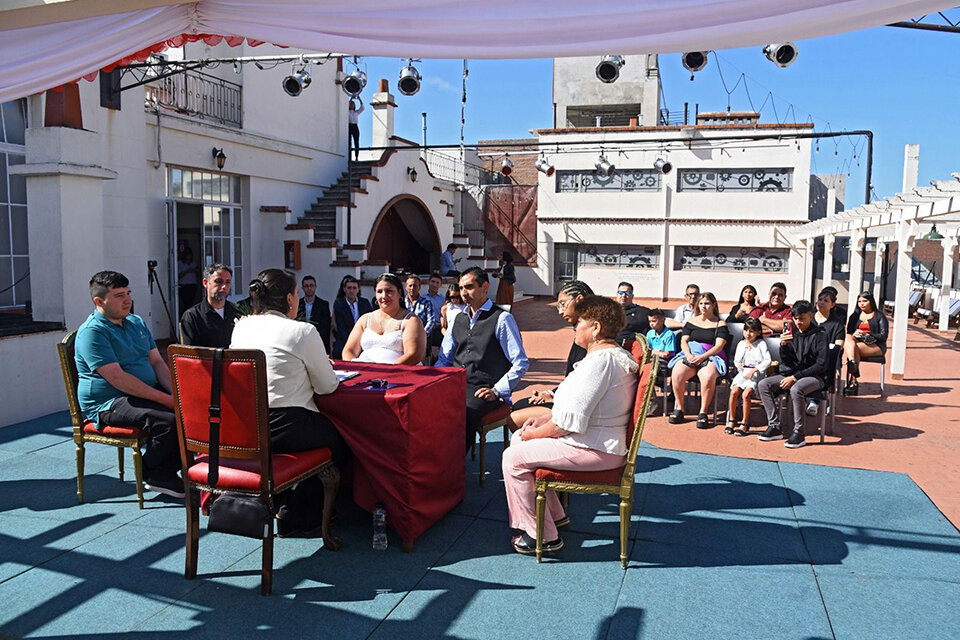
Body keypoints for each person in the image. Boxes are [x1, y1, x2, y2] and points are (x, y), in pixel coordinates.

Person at [501, 295, 638, 555]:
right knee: (519, 437)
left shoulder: (600, 362)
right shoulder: (607, 357)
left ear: (596, 328)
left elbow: (567, 422)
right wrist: (542, 421)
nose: (575, 327)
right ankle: (555, 514)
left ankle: (542, 535)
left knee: (513, 457)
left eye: (581, 322)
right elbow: (576, 406)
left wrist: (537, 433)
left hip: (596, 449)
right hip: (596, 441)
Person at [230, 269, 348, 535]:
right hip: (288, 424)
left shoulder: (242, 326)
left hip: (247, 425)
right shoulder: (302, 331)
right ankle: (299, 512)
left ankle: (286, 501)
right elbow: (327, 386)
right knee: (342, 442)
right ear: (289, 298)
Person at [74, 271, 183, 498]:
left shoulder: (136, 322)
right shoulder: (93, 332)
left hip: (141, 391)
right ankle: (153, 472)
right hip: (108, 400)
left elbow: (156, 362)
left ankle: (169, 470)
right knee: (168, 420)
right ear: (99, 301)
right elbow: (118, 379)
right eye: (119, 295)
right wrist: (165, 399)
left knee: (191, 409)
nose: (127, 300)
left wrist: (177, 393)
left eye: (128, 293)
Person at [436, 267, 529, 453]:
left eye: (469, 287)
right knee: (429, 407)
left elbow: (520, 362)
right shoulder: (457, 319)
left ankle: (453, 468)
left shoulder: (502, 319)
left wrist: (497, 390)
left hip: (484, 389)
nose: (463, 293)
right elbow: (444, 359)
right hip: (456, 382)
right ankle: (432, 461)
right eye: (461, 288)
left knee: (463, 412)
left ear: (484, 287)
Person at [506, 280, 593, 430]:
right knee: (520, 405)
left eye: (563, 304)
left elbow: (586, 385)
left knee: (516, 418)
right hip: (570, 395)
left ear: (579, 300)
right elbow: (573, 378)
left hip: (580, 408)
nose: (560, 311)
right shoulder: (581, 332)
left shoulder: (593, 336)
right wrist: (548, 393)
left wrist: (554, 397)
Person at [757, 300, 828, 448]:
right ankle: (775, 426)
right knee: (763, 384)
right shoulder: (792, 332)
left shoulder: (820, 335)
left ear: (810, 316)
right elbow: (787, 362)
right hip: (792, 373)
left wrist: (795, 378)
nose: (798, 322)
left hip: (815, 377)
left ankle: (799, 432)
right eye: (795, 318)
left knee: (797, 389)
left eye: (802, 318)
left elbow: (821, 364)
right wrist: (783, 346)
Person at [668, 291, 729, 429]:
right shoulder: (691, 322)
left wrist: (703, 357)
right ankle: (680, 409)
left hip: (711, 355)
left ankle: (703, 412)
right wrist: (688, 355)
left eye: (707, 303)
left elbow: (719, 345)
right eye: (701, 303)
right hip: (691, 354)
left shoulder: (720, 323)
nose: (703, 306)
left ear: (713, 304)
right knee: (677, 373)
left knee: (707, 377)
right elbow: (684, 341)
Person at [342, 273, 426, 365]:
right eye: (379, 291)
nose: (383, 296)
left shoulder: (411, 320)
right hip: (364, 375)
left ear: (399, 292)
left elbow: (413, 355)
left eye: (389, 291)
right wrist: (356, 368)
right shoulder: (365, 319)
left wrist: (386, 371)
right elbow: (349, 351)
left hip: (398, 375)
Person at [725, 317, 771, 436]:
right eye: (746, 330)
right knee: (734, 392)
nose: (748, 334)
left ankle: (745, 422)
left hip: (755, 373)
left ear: (758, 332)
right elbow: (736, 360)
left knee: (746, 394)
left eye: (751, 331)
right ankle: (732, 420)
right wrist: (738, 365)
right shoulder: (741, 344)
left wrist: (755, 370)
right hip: (743, 372)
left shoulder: (761, 344)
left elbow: (767, 361)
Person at [807, 286, 846, 415]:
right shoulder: (809, 319)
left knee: (822, 365)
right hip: (808, 355)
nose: (821, 302)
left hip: (829, 357)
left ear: (833, 304)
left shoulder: (837, 324)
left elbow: (838, 346)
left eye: (826, 300)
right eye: (820, 299)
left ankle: (815, 401)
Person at [180, 263, 238, 348]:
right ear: (205, 283)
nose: (224, 286)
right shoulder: (192, 317)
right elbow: (191, 356)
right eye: (218, 281)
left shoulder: (238, 312)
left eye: (228, 282)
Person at [843, 291, 888, 396]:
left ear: (871, 301)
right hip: (858, 342)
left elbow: (883, 336)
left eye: (865, 301)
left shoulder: (879, 316)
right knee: (848, 339)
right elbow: (849, 332)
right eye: (859, 301)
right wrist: (856, 334)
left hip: (876, 345)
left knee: (854, 348)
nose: (861, 304)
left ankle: (853, 378)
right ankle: (853, 365)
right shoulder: (854, 316)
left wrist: (867, 334)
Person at [331, 275, 373, 359]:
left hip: (364, 339)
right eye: (349, 288)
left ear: (358, 289)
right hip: (346, 341)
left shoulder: (365, 303)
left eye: (354, 288)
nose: (352, 290)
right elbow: (341, 329)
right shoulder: (339, 306)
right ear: (344, 289)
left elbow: (370, 323)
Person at [645, 308, 676, 415]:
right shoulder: (650, 334)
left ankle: (652, 401)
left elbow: (666, 354)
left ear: (662, 320)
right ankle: (647, 399)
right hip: (652, 361)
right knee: (643, 371)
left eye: (654, 321)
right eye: (650, 321)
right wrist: (657, 351)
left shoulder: (669, 335)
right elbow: (647, 351)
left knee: (649, 371)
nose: (651, 324)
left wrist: (653, 352)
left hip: (665, 364)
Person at [297, 275, 332, 354]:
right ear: (302, 288)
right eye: (306, 286)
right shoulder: (298, 304)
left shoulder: (323, 305)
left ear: (315, 287)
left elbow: (325, 327)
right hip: (301, 342)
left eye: (311, 285)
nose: (309, 288)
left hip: (319, 341)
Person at [403, 274, 438, 339]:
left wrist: (422, 335)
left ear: (419, 287)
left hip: (422, 339)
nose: (412, 288)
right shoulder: (401, 303)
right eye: (410, 285)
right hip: (404, 338)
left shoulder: (427, 303)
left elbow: (431, 321)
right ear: (406, 287)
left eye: (415, 286)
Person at [424, 272, 446, 359]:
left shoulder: (443, 299)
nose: (434, 284)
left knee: (436, 355)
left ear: (440, 285)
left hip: (437, 330)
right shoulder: (422, 298)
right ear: (428, 282)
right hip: (425, 330)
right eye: (433, 282)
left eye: (437, 283)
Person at [177, 248, 201, 317]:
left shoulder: (193, 263)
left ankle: (189, 316)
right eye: (187, 255)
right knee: (186, 302)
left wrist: (195, 271)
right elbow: (179, 275)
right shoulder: (180, 264)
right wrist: (188, 271)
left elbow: (198, 275)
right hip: (183, 285)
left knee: (190, 302)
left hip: (192, 285)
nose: (189, 257)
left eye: (190, 255)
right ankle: (184, 315)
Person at [348, 97, 364, 162]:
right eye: (351, 104)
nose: (352, 105)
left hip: (355, 126)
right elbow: (345, 104)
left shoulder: (356, 112)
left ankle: (356, 157)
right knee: (349, 142)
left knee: (356, 142)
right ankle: (349, 157)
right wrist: (351, 98)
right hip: (349, 126)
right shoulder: (347, 111)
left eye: (353, 104)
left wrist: (359, 99)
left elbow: (362, 108)